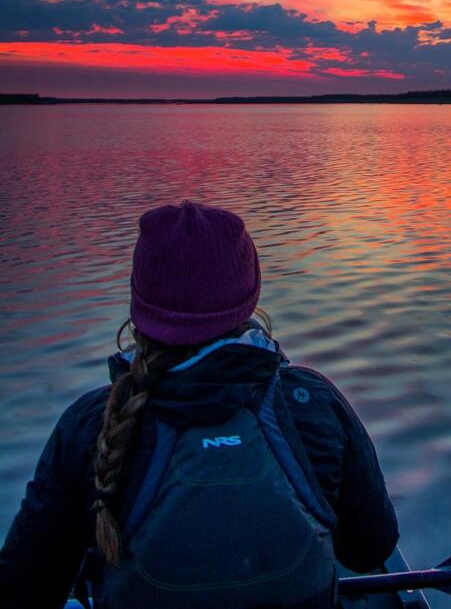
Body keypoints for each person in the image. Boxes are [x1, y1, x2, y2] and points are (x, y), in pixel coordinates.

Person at [0, 200, 399, 609]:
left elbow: (25, 590)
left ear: (140, 303)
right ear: (249, 296)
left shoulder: (88, 425)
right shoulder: (313, 402)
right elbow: (370, 549)